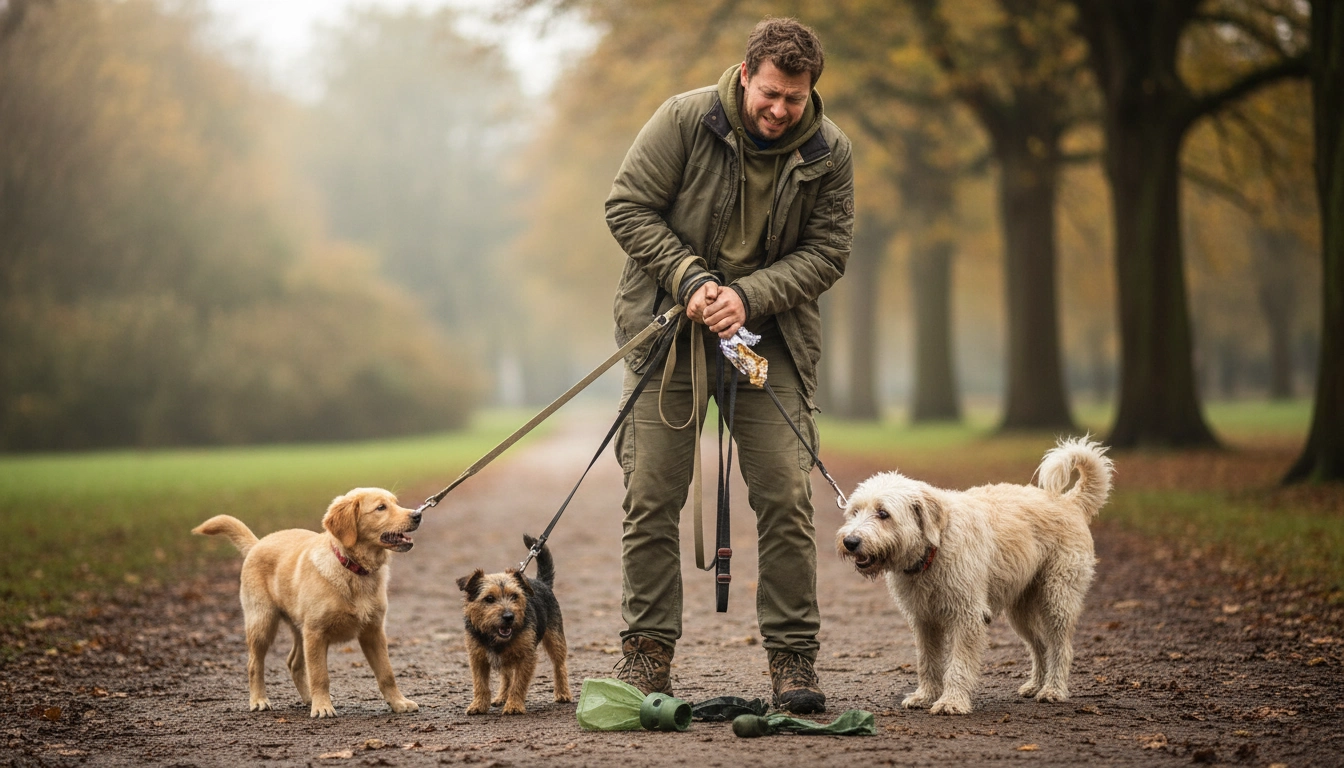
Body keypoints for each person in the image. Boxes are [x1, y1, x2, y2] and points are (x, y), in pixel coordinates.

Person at [605, 16, 854, 714]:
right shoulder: (684, 120)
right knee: (651, 496)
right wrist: (692, 280)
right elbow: (627, 207)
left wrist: (746, 296)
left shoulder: (831, 152)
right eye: (770, 93)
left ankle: (794, 663)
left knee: (786, 497)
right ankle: (646, 657)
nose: (779, 110)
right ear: (746, 75)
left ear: (811, 93)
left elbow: (829, 252)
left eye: (794, 99)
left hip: (769, 339)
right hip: (670, 333)